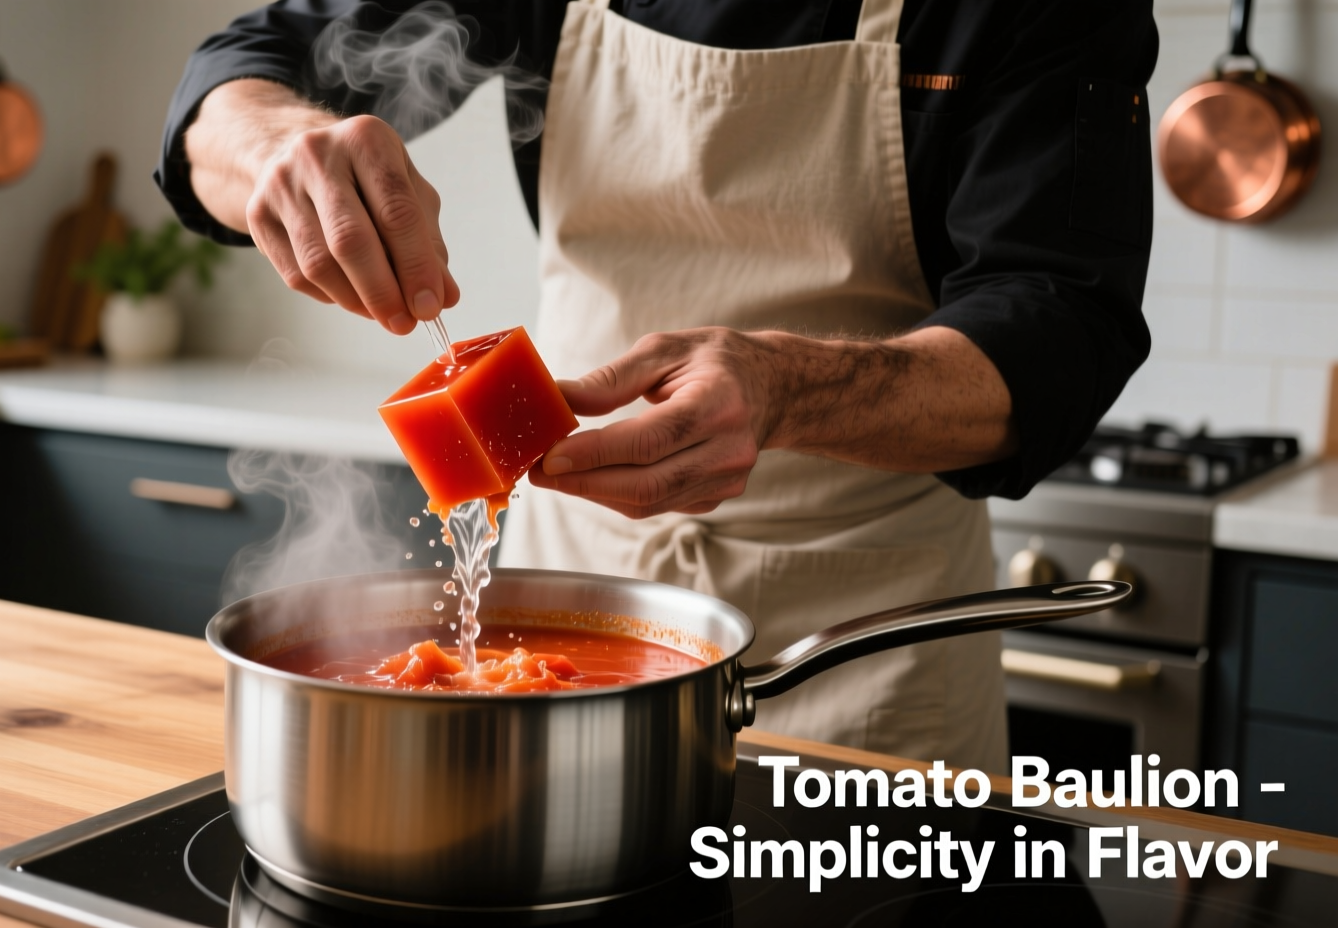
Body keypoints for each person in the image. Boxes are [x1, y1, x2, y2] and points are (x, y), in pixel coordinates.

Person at [157, 0, 1156, 772]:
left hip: (863, 643)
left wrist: (792, 390)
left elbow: (1063, 328)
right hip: (566, 594)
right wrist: (272, 144)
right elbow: (242, 75)